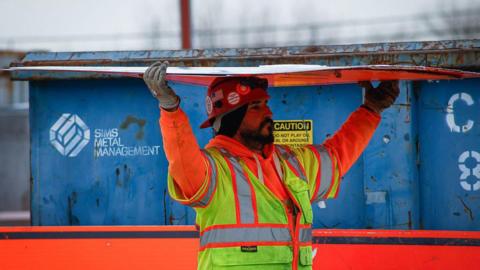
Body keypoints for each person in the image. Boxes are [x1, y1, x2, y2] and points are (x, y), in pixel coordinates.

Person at [143, 61, 399, 270]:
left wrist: (371, 109)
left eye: (266, 104)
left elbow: (338, 155)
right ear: (232, 119)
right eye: (256, 106)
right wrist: (171, 110)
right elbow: (182, 160)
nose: (269, 112)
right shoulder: (213, 171)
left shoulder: (290, 164)